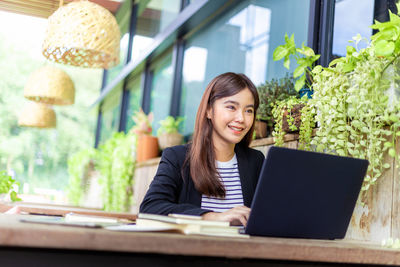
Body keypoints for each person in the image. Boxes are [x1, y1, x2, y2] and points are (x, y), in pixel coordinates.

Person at [139, 72, 265, 226]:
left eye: (249, 110)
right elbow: (150, 208)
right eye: (231, 107)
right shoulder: (177, 158)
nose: (241, 118)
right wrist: (212, 217)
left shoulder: (255, 161)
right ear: (209, 110)